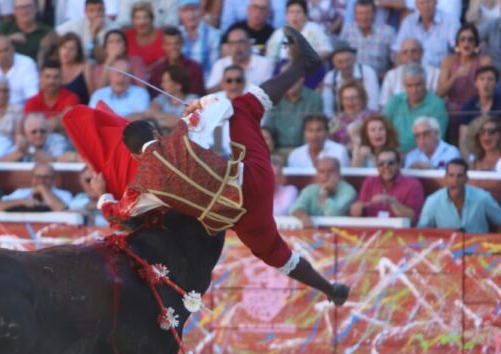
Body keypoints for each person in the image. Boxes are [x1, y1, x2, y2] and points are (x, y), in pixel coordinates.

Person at [68, 25, 350, 305]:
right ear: (156, 133)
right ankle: (301, 66)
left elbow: (117, 215)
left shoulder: (141, 187)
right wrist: (197, 105)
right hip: (252, 178)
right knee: (245, 108)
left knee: (276, 254)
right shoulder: (181, 134)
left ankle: (329, 289)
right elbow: (223, 105)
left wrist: (102, 193)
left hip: (240, 215)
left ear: (134, 157)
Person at [418, 158, 501, 232]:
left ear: (466, 178)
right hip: (447, 248)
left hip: (479, 248)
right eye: (451, 175)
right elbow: (421, 231)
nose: (455, 180)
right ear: (446, 177)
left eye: (459, 176)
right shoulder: (433, 201)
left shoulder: (482, 197)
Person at [383, 63, 448, 153]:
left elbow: (437, 138)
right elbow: (383, 127)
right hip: (394, 154)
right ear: (404, 85)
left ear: (425, 83)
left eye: (418, 85)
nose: (414, 90)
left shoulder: (436, 105)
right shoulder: (395, 101)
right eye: (410, 86)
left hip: (423, 154)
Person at [349, 148, 424, 225]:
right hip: (371, 230)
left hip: (399, 233)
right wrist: (363, 206)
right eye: (381, 163)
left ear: (398, 165)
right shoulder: (369, 182)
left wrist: (393, 202)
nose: (386, 166)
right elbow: (355, 213)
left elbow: (413, 218)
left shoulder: (413, 185)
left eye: (390, 163)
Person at [436, 24, 492, 116]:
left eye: (470, 40)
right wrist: (455, 77)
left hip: (476, 106)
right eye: (462, 39)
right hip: (454, 107)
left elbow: (489, 89)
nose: (466, 43)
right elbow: (440, 93)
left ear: (475, 44)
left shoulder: (484, 61)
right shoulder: (448, 61)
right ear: (458, 43)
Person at [289, 156, 358, 228]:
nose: (326, 175)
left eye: (331, 171)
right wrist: (304, 217)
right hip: (313, 233)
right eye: (322, 172)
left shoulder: (348, 191)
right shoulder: (310, 190)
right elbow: (295, 208)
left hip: (343, 233)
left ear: (338, 172)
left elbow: (334, 215)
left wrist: (324, 196)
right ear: (317, 174)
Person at [262, 76, 323, 156]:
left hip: (305, 150)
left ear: (301, 78)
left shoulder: (314, 98)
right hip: (278, 151)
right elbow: (267, 128)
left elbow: (316, 127)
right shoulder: (274, 98)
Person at [392, 0, 459, 69]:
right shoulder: (409, 22)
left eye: (429, 2)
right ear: (416, 5)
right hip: (413, 74)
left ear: (436, 2)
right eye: (422, 3)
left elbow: (458, 49)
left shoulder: (450, 21)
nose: (426, 6)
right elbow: (397, 51)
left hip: (440, 74)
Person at [338, 0, 396, 79]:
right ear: (355, 15)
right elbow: (339, 56)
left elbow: (396, 61)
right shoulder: (347, 30)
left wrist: (387, 76)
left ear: (375, 14)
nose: (364, 17)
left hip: (379, 79)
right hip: (352, 80)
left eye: (367, 13)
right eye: (360, 13)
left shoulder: (388, 32)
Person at [320, 42, 379, 119]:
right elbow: (327, 107)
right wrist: (334, 123)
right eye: (340, 62)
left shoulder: (367, 72)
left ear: (354, 59)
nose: (345, 65)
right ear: (334, 64)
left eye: (348, 60)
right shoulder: (330, 77)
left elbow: (373, 104)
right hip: (339, 121)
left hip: (366, 119)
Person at [379, 39, 440, 109]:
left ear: (421, 53)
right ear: (401, 56)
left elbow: (437, 100)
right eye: (405, 52)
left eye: (413, 51)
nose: (409, 55)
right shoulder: (391, 75)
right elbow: (384, 104)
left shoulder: (435, 73)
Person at [206, 27, 273, 91]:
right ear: (228, 46)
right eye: (232, 43)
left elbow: (269, 92)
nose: (237, 47)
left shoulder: (264, 64)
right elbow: (209, 92)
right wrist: (224, 83)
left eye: (241, 42)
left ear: (249, 44)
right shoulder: (220, 64)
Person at [147, 27, 204, 100]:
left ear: (182, 44)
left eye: (177, 43)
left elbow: (198, 96)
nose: (173, 47)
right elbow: (154, 96)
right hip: (163, 109)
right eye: (169, 44)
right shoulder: (157, 70)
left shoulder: (195, 68)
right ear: (163, 46)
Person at [25, 59, 81, 132]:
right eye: (47, 77)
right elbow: (28, 128)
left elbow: (67, 123)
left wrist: (40, 124)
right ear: (40, 79)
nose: (51, 81)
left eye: (56, 77)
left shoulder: (71, 98)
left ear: (61, 79)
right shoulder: (32, 102)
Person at [0, 161, 72, 212]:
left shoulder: (64, 194)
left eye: (46, 177)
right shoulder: (21, 192)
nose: (41, 181)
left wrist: (43, 190)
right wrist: (21, 202)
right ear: (32, 178)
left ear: (53, 180)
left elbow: (61, 210)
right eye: (38, 177)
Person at [145, 66, 199, 132]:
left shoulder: (192, 99)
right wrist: (171, 120)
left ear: (178, 85)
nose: (162, 85)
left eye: (166, 81)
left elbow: (187, 122)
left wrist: (159, 121)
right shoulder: (163, 97)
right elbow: (148, 112)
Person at [0, 113, 69, 163]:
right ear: (26, 134)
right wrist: (21, 152)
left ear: (48, 131)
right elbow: (1, 162)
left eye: (42, 131)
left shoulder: (57, 140)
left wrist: (30, 150)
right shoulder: (24, 141)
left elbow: (55, 161)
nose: (38, 135)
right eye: (34, 132)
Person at [178, 0, 221, 74]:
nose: (190, 14)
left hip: (206, 82)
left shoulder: (213, 35)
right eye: (185, 10)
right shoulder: (176, 34)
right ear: (179, 13)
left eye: (194, 9)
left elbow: (215, 67)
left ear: (201, 11)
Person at [328, 80, 373, 151]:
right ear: (341, 101)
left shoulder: (372, 117)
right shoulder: (335, 120)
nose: (350, 102)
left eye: (354, 98)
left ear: (362, 98)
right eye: (346, 98)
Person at [123, 2, 164, 68]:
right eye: (137, 18)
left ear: (152, 19)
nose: (142, 22)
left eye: (146, 17)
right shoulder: (126, 36)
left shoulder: (162, 36)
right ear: (132, 21)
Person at [57, 32, 94, 105]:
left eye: (72, 49)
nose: (67, 52)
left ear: (78, 52)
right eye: (64, 47)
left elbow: (92, 95)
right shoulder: (52, 67)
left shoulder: (85, 68)